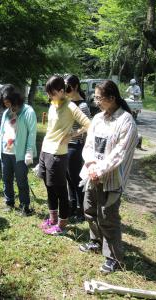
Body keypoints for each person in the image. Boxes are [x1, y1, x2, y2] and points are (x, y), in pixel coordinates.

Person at [79, 80, 138, 273]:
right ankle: (95, 241)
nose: (96, 101)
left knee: (108, 217)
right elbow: (88, 145)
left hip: (110, 178)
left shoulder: (126, 121)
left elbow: (119, 153)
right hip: (92, 174)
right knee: (89, 210)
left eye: (99, 98)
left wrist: (99, 170)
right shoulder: (97, 119)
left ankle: (114, 257)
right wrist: (90, 165)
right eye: (95, 97)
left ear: (112, 98)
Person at [38, 75, 91, 235]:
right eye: (48, 93)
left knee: (60, 189)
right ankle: (53, 219)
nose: (49, 96)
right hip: (45, 150)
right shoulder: (53, 104)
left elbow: (89, 124)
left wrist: (73, 135)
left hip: (58, 153)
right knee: (48, 187)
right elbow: (50, 128)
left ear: (62, 91)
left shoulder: (71, 106)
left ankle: (62, 224)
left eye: (52, 93)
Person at [0, 84, 37, 216]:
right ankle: (9, 202)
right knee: (6, 179)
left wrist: (29, 151)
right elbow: (1, 133)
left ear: (15, 98)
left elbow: (32, 133)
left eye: (8, 101)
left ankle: (25, 206)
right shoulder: (6, 113)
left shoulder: (28, 111)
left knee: (21, 180)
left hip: (20, 155)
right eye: (4, 102)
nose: (6, 105)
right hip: (6, 152)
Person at [64, 75, 91, 223]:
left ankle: (82, 210)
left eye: (67, 87)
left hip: (76, 146)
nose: (65, 90)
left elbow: (88, 126)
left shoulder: (82, 106)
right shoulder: (68, 103)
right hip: (66, 145)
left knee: (76, 179)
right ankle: (72, 206)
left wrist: (75, 134)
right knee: (69, 178)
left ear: (74, 87)